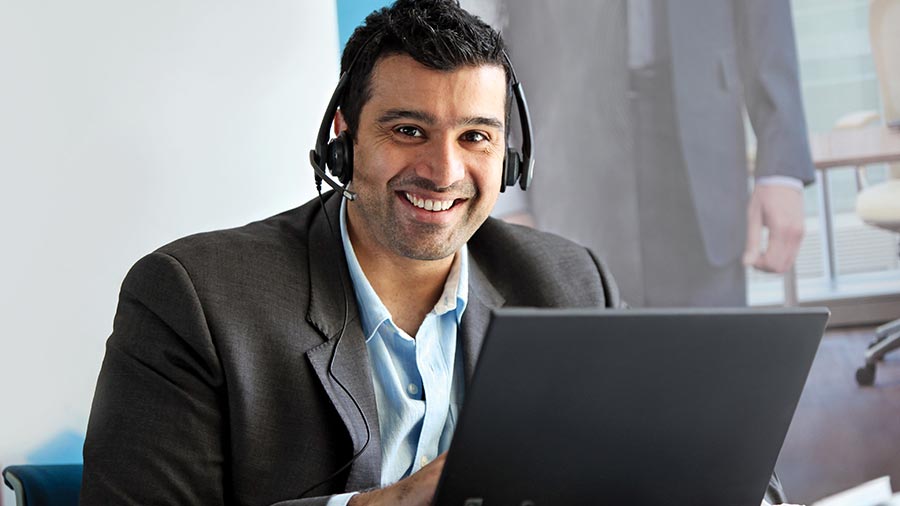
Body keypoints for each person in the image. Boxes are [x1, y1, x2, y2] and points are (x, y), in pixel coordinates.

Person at [80, 1, 790, 504]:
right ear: (343, 135)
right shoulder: (194, 299)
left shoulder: (568, 281)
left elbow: (698, 467)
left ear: (508, 157)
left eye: (476, 136)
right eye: (409, 130)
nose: (445, 171)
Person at [510, 0, 815, 307]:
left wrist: (781, 169)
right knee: (583, 342)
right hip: (568, 147)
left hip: (704, 150)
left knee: (711, 345)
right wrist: (508, 190)